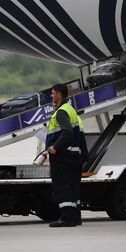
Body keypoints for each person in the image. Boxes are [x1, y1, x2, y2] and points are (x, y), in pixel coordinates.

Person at [46, 83, 82, 228]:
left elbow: (67, 131)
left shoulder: (61, 112)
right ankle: (75, 217)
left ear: (60, 94)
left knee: (62, 186)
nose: (51, 95)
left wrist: (55, 146)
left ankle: (67, 218)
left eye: (53, 92)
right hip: (72, 154)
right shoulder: (69, 109)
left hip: (62, 155)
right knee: (72, 186)